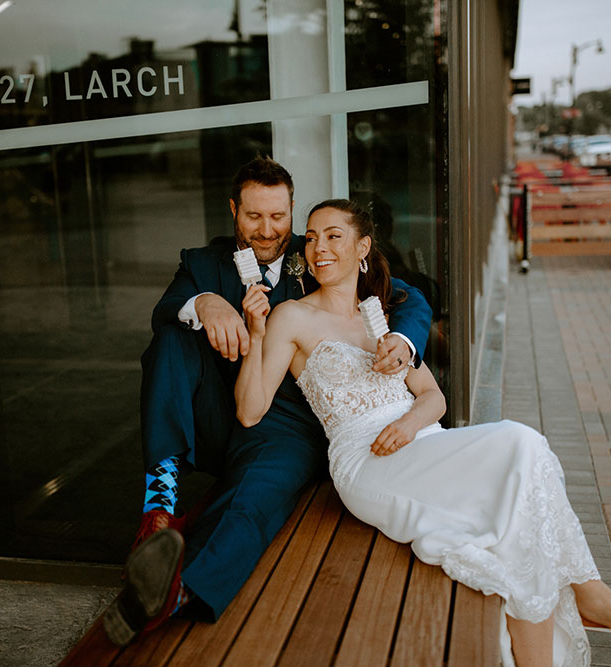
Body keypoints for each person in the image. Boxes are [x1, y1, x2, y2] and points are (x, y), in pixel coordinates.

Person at [231, 199, 611, 667]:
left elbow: (433, 398)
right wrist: (255, 335)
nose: (318, 247)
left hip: (421, 439)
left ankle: (574, 620)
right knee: (522, 444)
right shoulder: (292, 316)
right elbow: (250, 412)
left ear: (363, 247)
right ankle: (594, 599)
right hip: (368, 458)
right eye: (311, 237)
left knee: (521, 497)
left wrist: (409, 422)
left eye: (333, 235)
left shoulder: (380, 318)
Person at [102, 159, 432, 647]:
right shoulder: (202, 263)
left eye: (278, 217)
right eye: (254, 216)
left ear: (292, 210)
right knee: (170, 338)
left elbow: (408, 296)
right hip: (219, 412)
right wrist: (206, 304)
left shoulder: (318, 253)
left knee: (253, 502)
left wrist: (405, 339)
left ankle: (176, 591)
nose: (267, 229)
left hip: (290, 424)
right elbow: (164, 309)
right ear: (234, 210)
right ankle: (160, 506)